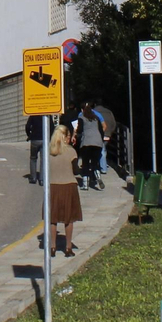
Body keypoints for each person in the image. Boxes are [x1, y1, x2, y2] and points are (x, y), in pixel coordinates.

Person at [47, 123, 83, 256]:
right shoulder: (71, 151)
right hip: (68, 186)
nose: (69, 139)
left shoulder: (49, 151)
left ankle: (52, 247)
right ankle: (68, 248)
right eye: (68, 136)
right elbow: (76, 170)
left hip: (53, 186)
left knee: (53, 218)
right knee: (69, 218)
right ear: (64, 137)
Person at [74, 102, 104, 190]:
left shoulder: (81, 117)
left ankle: (85, 184)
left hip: (86, 142)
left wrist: (76, 134)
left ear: (82, 110)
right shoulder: (96, 118)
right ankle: (98, 176)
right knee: (95, 162)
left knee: (85, 163)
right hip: (97, 142)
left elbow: (80, 130)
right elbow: (101, 130)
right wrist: (100, 140)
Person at [26, 113, 46, 184]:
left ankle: (33, 177)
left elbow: (27, 126)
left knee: (33, 158)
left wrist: (29, 135)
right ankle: (42, 179)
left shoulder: (33, 115)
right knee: (43, 159)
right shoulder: (47, 114)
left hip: (34, 139)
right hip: (44, 139)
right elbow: (52, 127)